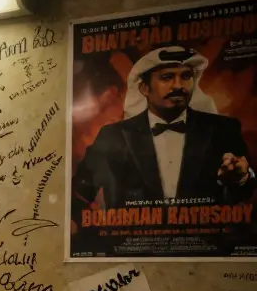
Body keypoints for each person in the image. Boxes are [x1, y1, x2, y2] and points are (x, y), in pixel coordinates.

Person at [73, 45, 253, 217]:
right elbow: (80, 194)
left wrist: (242, 177)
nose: (178, 86)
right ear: (144, 88)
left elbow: (246, 192)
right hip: (132, 246)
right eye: (167, 77)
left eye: (185, 76)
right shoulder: (112, 136)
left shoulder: (223, 130)